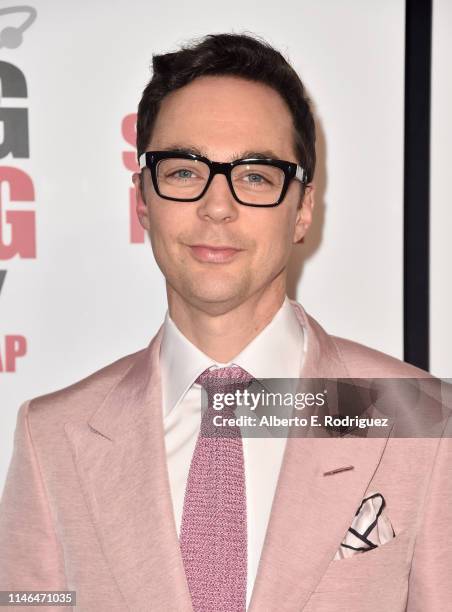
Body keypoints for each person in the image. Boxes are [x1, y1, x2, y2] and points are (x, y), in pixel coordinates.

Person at [0, 33, 450, 612]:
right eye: (185, 172)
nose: (218, 205)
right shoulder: (54, 436)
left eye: (256, 176)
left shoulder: (421, 422)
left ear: (303, 209)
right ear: (142, 197)